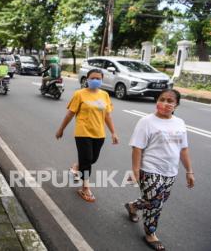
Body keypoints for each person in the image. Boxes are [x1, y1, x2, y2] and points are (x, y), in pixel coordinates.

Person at [124, 89, 194, 251]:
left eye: (170, 101)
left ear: (176, 105)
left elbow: (183, 149)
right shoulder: (146, 121)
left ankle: (133, 206)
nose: (165, 103)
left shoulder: (180, 123)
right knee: (155, 204)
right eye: (162, 99)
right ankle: (150, 233)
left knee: (155, 201)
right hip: (150, 169)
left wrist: (189, 171)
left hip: (170, 171)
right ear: (157, 101)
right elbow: (137, 148)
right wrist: (135, 172)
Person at [55, 68, 119, 202]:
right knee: (87, 160)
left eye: (98, 78)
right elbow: (70, 114)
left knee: (91, 159)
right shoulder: (79, 94)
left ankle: (76, 167)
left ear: (102, 80)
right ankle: (85, 188)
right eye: (93, 78)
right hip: (82, 132)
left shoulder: (104, 95)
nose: (95, 80)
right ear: (87, 79)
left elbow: (107, 116)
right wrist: (61, 129)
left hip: (99, 133)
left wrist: (113, 132)